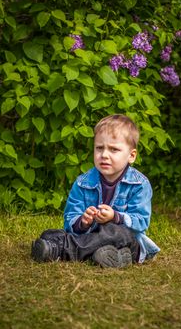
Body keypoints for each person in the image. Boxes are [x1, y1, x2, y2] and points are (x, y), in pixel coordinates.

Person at [31, 114, 160, 268]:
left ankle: (60, 249)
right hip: (91, 237)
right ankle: (111, 256)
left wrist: (115, 216)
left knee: (113, 231)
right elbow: (70, 219)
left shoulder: (140, 184)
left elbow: (141, 222)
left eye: (113, 149)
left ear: (131, 156)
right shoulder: (82, 183)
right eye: (99, 148)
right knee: (49, 234)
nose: (104, 155)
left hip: (128, 240)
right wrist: (83, 222)